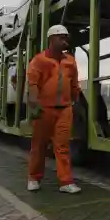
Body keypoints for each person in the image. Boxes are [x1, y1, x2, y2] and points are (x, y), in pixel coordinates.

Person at [26, 24, 82, 194]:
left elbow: (74, 83)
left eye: (66, 37)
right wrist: (34, 105)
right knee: (39, 146)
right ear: (52, 40)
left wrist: (75, 100)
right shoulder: (39, 60)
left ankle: (66, 181)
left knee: (62, 146)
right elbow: (33, 84)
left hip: (64, 109)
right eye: (61, 37)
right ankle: (34, 178)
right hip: (44, 110)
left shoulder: (70, 61)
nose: (65, 40)